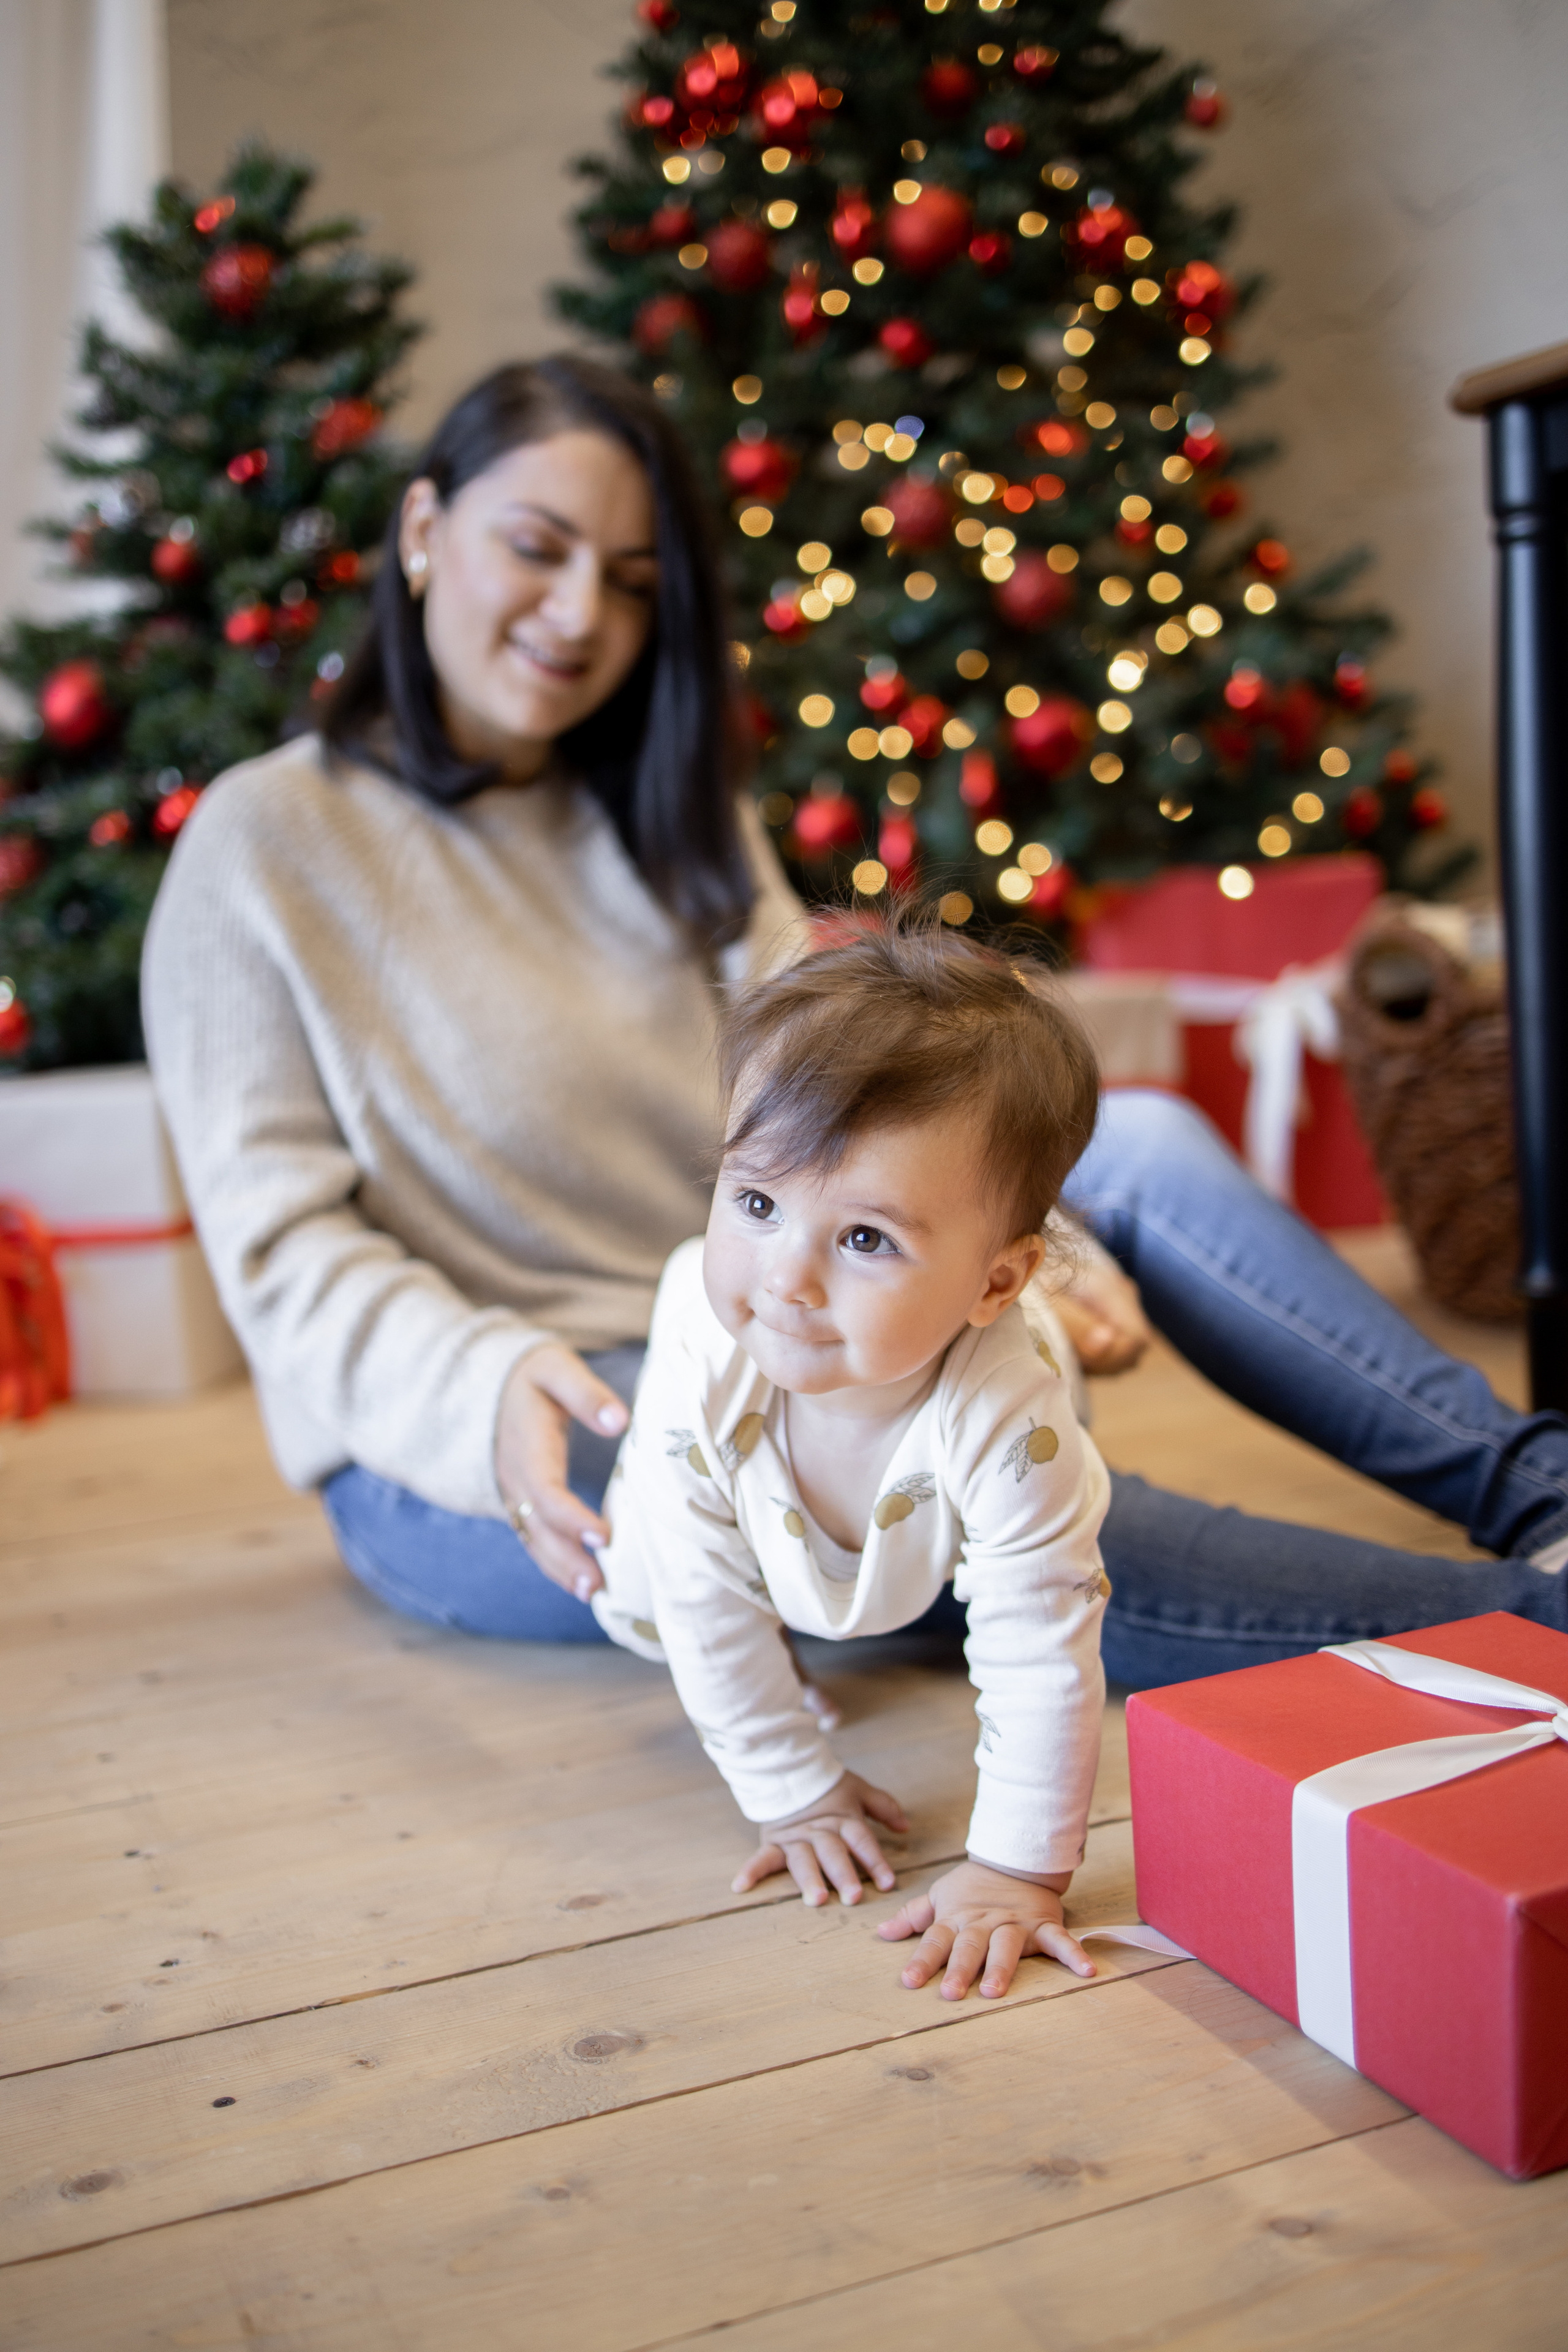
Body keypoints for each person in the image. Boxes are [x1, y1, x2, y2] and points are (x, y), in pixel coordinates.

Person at [142, 352, 1568, 1750]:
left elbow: (851, 1085)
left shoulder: (665, 807)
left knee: (1128, 1141)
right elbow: (280, 1256)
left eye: (632, 582)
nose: (579, 612)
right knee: (967, 1502)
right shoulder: (261, 849)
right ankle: (1522, 1625)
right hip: (494, 1415)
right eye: (537, 546)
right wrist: (476, 1386)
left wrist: (993, 1245)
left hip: (775, 1286)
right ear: (421, 527)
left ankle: (1540, 1490)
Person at [592, 921, 1110, 2000]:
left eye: (865, 1238)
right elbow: (698, 1593)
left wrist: (1017, 1871)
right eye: (757, 1201)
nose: (785, 1278)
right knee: (639, 1579)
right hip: (747, 1509)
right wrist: (792, 1788)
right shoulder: (704, 1335)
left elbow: (1038, 1648)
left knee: (1050, 1575)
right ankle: (804, 1620)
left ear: (996, 1285)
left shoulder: (1015, 1421)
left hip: (954, 1476)